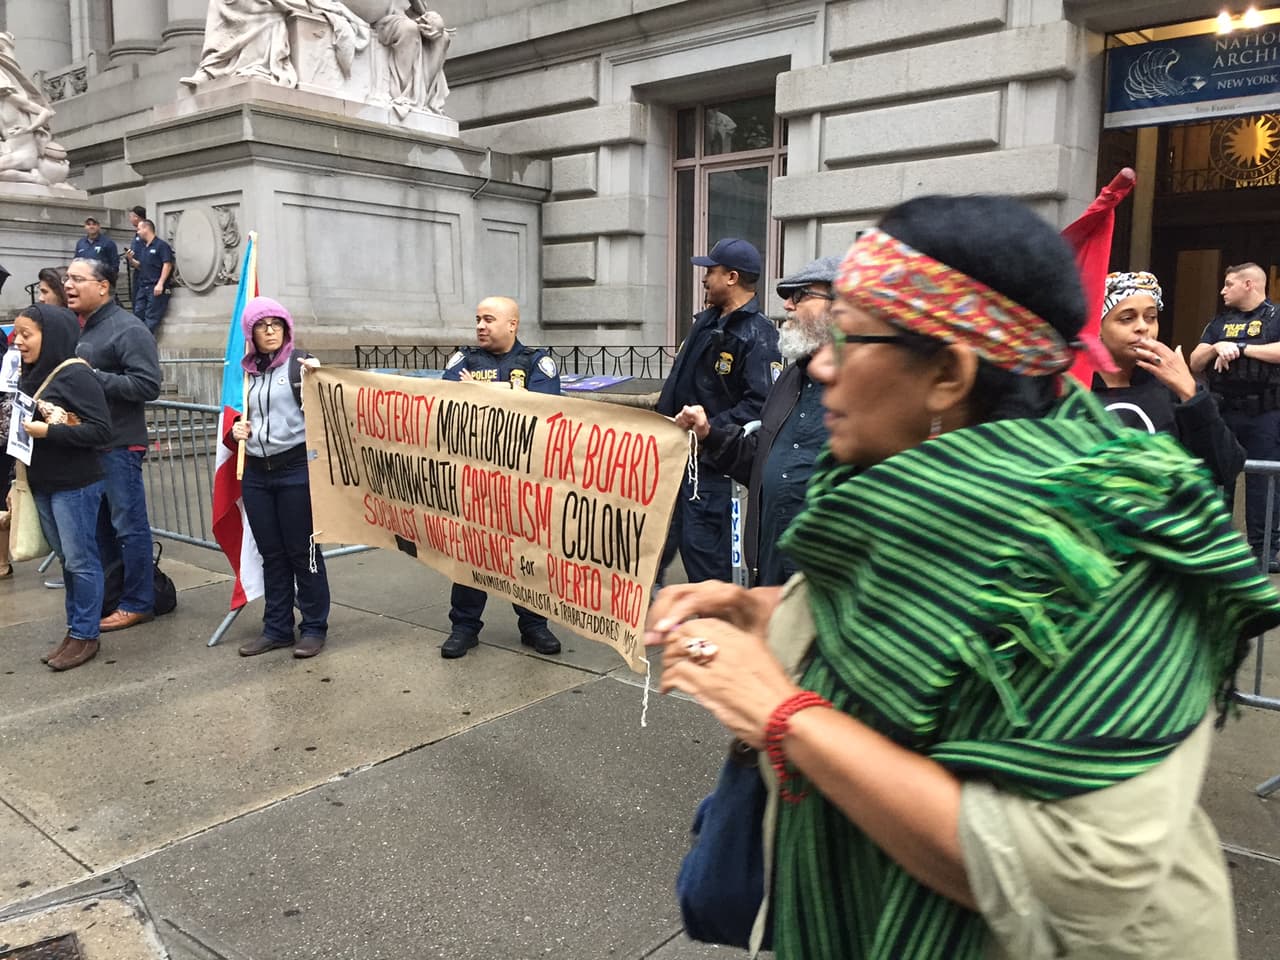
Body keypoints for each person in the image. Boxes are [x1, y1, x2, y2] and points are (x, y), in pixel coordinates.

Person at [646, 195, 1280, 960]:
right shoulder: (896, 491)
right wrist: (764, 607)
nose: (819, 361)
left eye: (849, 337)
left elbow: (1071, 872)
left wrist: (782, 714)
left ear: (947, 374)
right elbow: (920, 622)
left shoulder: (1105, 542)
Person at [674, 255, 837, 587]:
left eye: (801, 295)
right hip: (771, 572)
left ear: (844, 307)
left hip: (824, 585)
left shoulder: (872, 390)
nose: (788, 306)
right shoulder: (792, 379)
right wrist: (709, 433)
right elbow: (759, 462)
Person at [438, 295, 562, 658]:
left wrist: (477, 392)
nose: (479, 326)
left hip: (521, 481)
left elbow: (542, 411)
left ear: (512, 324)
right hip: (474, 479)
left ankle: (534, 625)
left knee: (526, 554)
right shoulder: (463, 360)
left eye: (488, 319)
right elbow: (444, 406)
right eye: (477, 319)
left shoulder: (537, 362)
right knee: (471, 554)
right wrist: (509, 394)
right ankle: (464, 626)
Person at [656, 238, 780, 586]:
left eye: (711, 271)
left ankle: (716, 629)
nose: (704, 278)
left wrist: (709, 429)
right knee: (659, 543)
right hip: (678, 460)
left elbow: (760, 405)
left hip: (712, 469)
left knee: (708, 561)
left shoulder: (759, 335)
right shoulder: (707, 322)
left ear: (732, 277)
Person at [10, 305, 112, 670]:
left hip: (76, 484)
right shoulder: (26, 374)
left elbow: (102, 431)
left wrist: (49, 431)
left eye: (26, 334)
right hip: (41, 481)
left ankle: (86, 636)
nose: (18, 341)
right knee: (69, 561)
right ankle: (75, 630)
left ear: (49, 335)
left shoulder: (76, 375)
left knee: (82, 560)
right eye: (17, 334)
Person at [64, 257, 161, 633]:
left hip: (120, 445)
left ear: (103, 286)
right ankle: (112, 595)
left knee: (129, 527)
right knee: (99, 529)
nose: (69, 285)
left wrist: (92, 377)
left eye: (77, 279)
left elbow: (147, 385)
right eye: (66, 278)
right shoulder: (79, 328)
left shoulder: (128, 329)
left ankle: (139, 602)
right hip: (86, 445)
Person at [229, 297, 331, 659]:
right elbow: (235, 417)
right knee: (270, 555)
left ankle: (314, 627)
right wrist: (236, 431)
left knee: (302, 552)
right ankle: (276, 628)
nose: (270, 330)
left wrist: (318, 379)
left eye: (276, 323)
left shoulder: (299, 366)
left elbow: (326, 412)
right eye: (262, 324)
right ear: (251, 332)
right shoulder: (246, 372)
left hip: (295, 470)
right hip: (256, 473)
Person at [1092, 271, 1243, 492]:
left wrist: (1191, 394)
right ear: (1098, 328)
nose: (1143, 327)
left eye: (1151, 317)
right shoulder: (1072, 388)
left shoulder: (1169, 386)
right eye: (1127, 318)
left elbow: (1225, 468)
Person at [1190, 263, 1280, 571]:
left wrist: (1242, 349)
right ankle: (1217, 545)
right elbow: (1194, 361)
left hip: (1264, 413)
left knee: (1263, 483)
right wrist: (1217, 346)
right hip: (1224, 410)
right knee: (1218, 477)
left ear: (1249, 284)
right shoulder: (1219, 323)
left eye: (1229, 284)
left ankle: (1264, 550)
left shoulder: (1276, 317)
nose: (1222, 290)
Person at [131, 219, 174, 334]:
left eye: (139, 229)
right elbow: (140, 266)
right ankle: (139, 337)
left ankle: (143, 340)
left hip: (155, 286)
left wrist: (160, 283)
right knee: (138, 313)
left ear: (146, 229)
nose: (138, 232)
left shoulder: (161, 246)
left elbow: (167, 264)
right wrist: (130, 259)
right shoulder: (144, 248)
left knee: (151, 316)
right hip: (143, 286)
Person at [123, 206, 146, 304]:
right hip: (136, 271)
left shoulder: (144, 234)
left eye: (131, 216)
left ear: (137, 217)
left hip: (144, 272)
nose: (130, 219)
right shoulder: (137, 234)